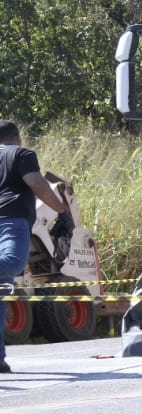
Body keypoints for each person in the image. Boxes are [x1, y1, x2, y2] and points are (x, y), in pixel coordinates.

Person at [0, 120, 68, 374]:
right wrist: (61, 210)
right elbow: (37, 184)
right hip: (11, 220)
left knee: (2, 289)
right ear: (16, 138)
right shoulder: (21, 153)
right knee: (14, 262)